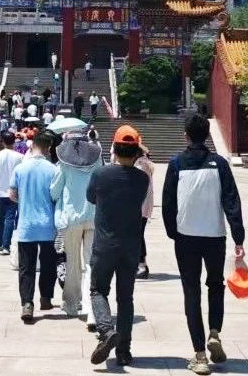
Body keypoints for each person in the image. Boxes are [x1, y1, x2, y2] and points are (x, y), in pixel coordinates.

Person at [162, 114, 245, 375]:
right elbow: (231, 200)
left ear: (186, 135)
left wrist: (172, 232)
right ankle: (214, 332)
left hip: (186, 235)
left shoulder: (176, 164)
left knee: (191, 291)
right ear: (207, 134)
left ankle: (199, 355)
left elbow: (168, 203)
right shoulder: (219, 164)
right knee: (215, 284)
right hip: (215, 235)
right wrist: (238, 237)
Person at [86, 125, 150, 366]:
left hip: (104, 244)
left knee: (98, 290)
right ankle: (124, 351)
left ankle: (106, 330)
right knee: (126, 298)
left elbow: (90, 197)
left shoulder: (100, 174)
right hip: (131, 246)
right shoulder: (142, 179)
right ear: (136, 152)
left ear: (113, 148)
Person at [50, 135, 102, 329]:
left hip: (71, 218)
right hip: (93, 216)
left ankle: (72, 304)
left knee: (72, 262)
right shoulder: (97, 158)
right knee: (90, 263)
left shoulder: (64, 162)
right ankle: (92, 310)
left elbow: (54, 191)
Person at [9, 132, 58, 323]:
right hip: (48, 225)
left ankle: (27, 303)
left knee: (26, 267)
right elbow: (56, 196)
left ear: (32, 146)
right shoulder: (53, 169)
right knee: (48, 265)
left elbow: (12, 195)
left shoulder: (20, 168)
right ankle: (45, 298)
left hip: (26, 225)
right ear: (48, 148)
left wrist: (25, 201)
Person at [0, 131, 23, 254]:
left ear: (3, 142)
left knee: (0, 218)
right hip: (14, 192)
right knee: (10, 219)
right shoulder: (20, 157)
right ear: (14, 142)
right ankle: (6, 245)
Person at [135, 145, 154, 279]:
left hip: (139, 206)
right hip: (142, 206)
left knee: (137, 235)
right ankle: (140, 264)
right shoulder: (143, 163)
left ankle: (142, 265)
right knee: (138, 234)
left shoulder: (141, 166)